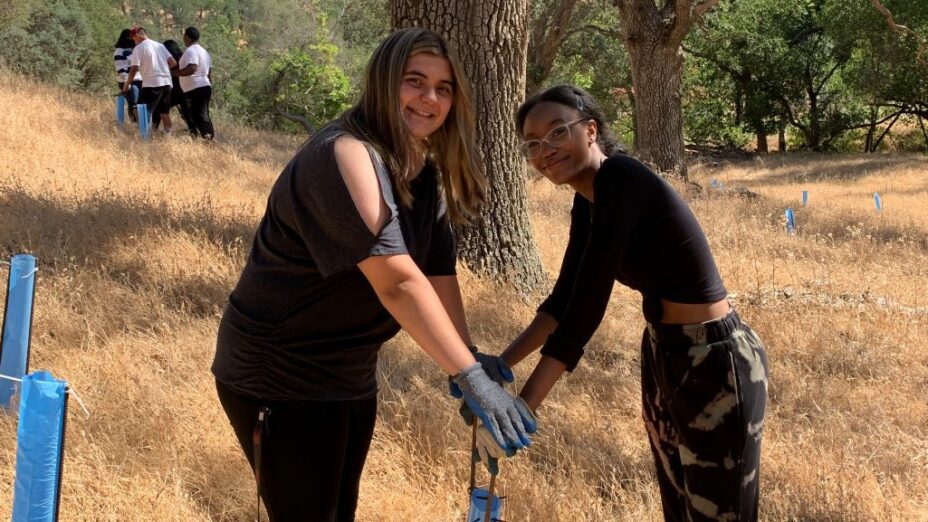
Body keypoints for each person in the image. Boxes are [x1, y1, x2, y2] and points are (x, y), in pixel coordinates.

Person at [211, 27, 536, 522]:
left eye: (443, 88)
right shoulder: (345, 154)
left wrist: (467, 357)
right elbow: (398, 281)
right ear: (383, 82)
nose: (430, 98)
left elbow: (436, 272)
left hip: (347, 370)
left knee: (339, 510)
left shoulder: (423, 170)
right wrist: (470, 378)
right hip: (279, 372)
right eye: (415, 81)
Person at [495, 85, 769, 521]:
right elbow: (563, 298)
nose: (545, 149)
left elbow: (588, 303)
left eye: (557, 133)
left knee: (720, 513)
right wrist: (498, 369)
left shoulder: (620, 178)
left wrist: (523, 407)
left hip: (715, 359)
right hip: (664, 352)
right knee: (680, 509)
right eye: (532, 143)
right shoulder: (587, 202)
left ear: (590, 130)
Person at [122, 26, 176, 134]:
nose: (134, 41)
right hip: (166, 82)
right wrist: (162, 70)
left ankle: (145, 136)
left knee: (140, 109)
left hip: (151, 83)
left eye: (133, 39)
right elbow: (173, 62)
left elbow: (134, 68)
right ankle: (168, 138)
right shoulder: (160, 45)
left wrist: (127, 83)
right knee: (164, 112)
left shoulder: (139, 48)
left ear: (137, 35)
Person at [176, 26, 215, 139]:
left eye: (184, 36)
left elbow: (192, 68)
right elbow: (209, 74)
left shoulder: (191, 51)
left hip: (196, 88)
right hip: (203, 86)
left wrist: (173, 73)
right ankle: (205, 138)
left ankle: (209, 139)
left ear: (187, 37)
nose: (183, 38)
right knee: (200, 115)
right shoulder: (204, 52)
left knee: (200, 115)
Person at [151, 40, 191, 132]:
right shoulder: (183, 58)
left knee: (158, 109)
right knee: (187, 114)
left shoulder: (168, 59)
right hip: (185, 90)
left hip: (172, 91)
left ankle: (154, 130)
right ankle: (194, 132)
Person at [113, 29, 140, 122]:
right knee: (133, 103)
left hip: (138, 80)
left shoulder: (134, 50)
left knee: (138, 103)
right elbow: (121, 69)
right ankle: (135, 125)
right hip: (128, 81)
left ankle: (140, 125)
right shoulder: (119, 52)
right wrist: (127, 82)